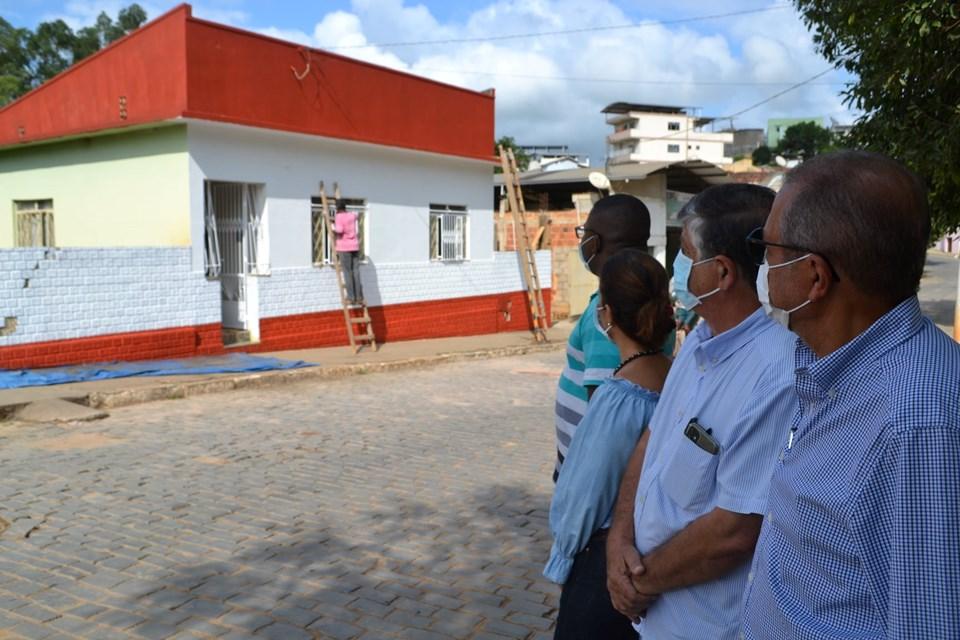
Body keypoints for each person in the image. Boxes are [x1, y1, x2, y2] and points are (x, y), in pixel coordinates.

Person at [740, 151, 960, 638]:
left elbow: (930, 624)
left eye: (768, 250)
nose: (763, 268)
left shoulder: (916, 424)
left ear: (814, 276)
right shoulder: (834, 370)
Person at [604, 183, 797, 639]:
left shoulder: (776, 373)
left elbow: (734, 530)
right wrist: (618, 538)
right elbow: (653, 441)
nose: (677, 265)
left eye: (686, 252)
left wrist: (639, 580)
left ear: (723, 272)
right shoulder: (698, 344)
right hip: (651, 618)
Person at [546, 249, 674, 639]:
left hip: (603, 561)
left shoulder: (620, 397)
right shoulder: (678, 376)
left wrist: (563, 558)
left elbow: (585, 492)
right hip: (653, 551)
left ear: (606, 313)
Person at [553, 194, 651, 482]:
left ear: (594, 242)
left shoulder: (609, 312)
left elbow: (604, 413)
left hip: (588, 473)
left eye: (584, 233)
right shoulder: (646, 298)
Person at [333, 199, 363, 305]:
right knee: (356, 271)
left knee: (347, 272)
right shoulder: (352, 215)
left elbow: (340, 230)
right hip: (355, 246)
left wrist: (333, 226)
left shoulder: (338, 217)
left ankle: (351, 297)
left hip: (344, 248)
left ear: (337, 208)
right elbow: (357, 214)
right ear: (345, 207)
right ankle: (359, 297)